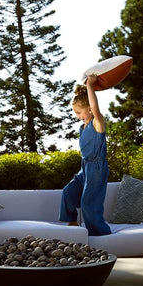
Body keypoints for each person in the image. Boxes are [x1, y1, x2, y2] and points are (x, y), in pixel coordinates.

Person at [59, 74, 111, 236]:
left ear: (89, 109)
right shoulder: (82, 128)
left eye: (79, 112)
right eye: (75, 113)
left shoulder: (98, 123)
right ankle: (73, 223)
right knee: (68, 192)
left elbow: (95, 108)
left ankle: (99, 234)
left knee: (88, 203)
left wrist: (90, 85)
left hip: (97, 168)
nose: (77, 116)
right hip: (85, 168)